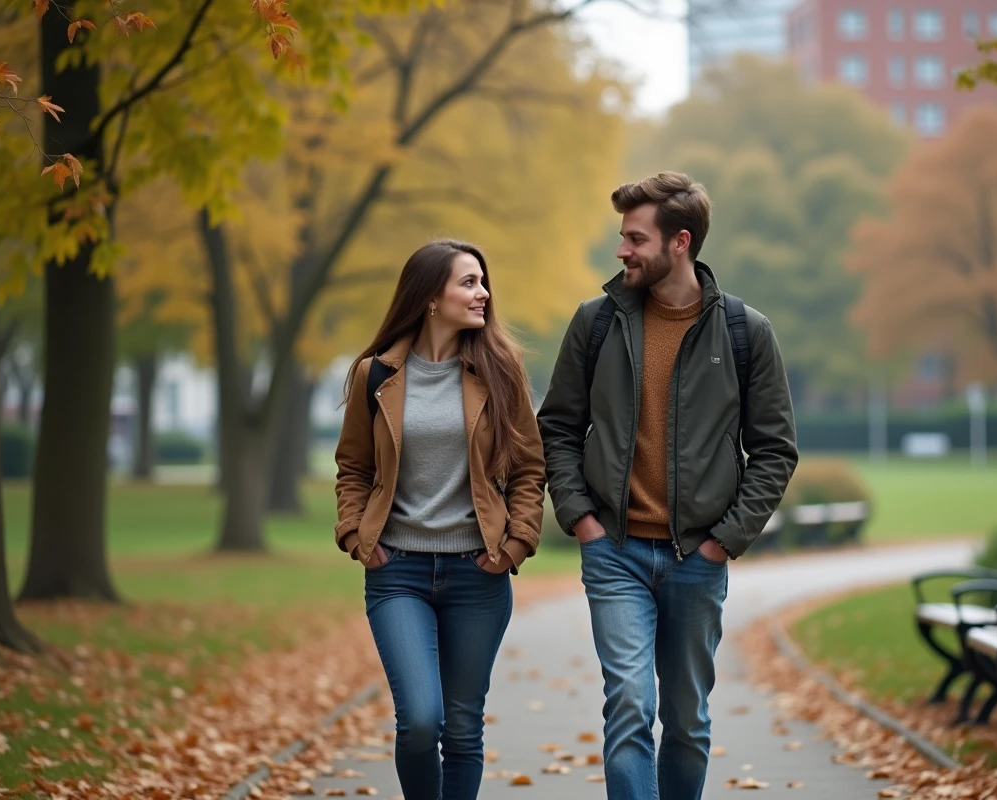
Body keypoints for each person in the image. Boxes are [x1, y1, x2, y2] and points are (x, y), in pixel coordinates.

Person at [537, 171, 799, 799]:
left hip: (697, 559)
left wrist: (724, 541)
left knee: (685, 722)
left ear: (680, 242)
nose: (622, 250)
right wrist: (584, 521)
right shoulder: (595, 323)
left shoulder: (745, 333)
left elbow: (774, 450)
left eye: (635, 238)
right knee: (628, 706)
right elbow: (558, 428)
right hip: (615, 553)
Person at [333, 239, 546, 800]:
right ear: (431, 297)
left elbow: (529, 468)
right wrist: (357, 534)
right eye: (468, 282)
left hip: (478, 575)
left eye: (482, 281)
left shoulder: (500, 370)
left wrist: (516, 543)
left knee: (462, 726)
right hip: (396, 571)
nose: (484, 293)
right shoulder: (374, 374)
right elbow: (352, 467)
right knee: (421, 721)